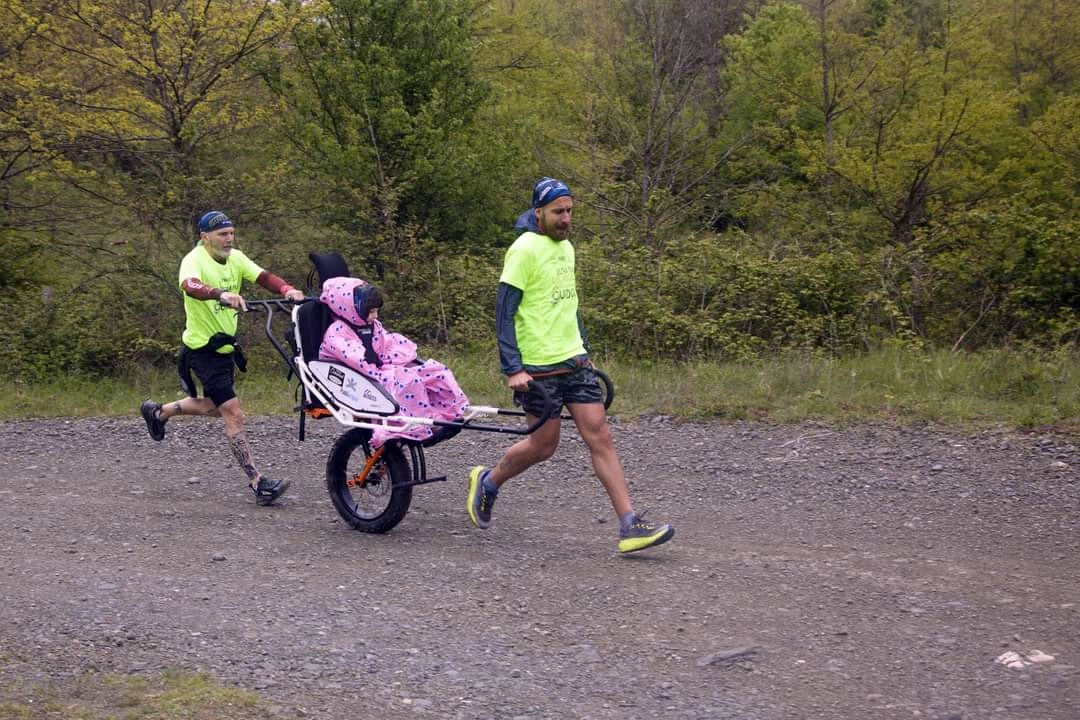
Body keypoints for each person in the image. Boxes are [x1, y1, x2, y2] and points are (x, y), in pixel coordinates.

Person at [467, 177, 675, 553]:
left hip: (574, 362)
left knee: (601, 435)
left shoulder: (568, 249)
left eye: (570, 211)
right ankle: (488, 482)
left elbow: (569, 303)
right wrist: (512, 368)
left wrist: (584, 348)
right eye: (558, 212)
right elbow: (503, 313)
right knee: (543, 446)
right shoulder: (524, 249)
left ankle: (630, 525)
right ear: (539, 213)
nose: (566, 219)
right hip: (537, 369)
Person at [140, 210, 305, 506]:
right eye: (222, 234)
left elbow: (262, 276)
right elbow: (189, 285)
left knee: (216, 408)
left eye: (231, 233)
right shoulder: (193, 260)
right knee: (232, 412)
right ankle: (258, 484)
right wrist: (221, 295)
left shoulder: (236, 258)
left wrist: (287, 289)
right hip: (201, 350)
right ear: (205, 238)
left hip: (225, 349)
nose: (229, 239)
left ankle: (158, 413)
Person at [317, 275, 470, 447]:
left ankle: (448, 413)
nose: (375, 316)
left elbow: (387, 343)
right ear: (351, 308)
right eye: (371, 312)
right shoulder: (337, 331)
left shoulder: (372, 326)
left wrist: (395, 358)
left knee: (436, 372)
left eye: (376, 311)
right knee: (406, 379)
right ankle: (413, 427)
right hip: (357, 376)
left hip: (379, 368)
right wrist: (383, 364)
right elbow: (355, 358)